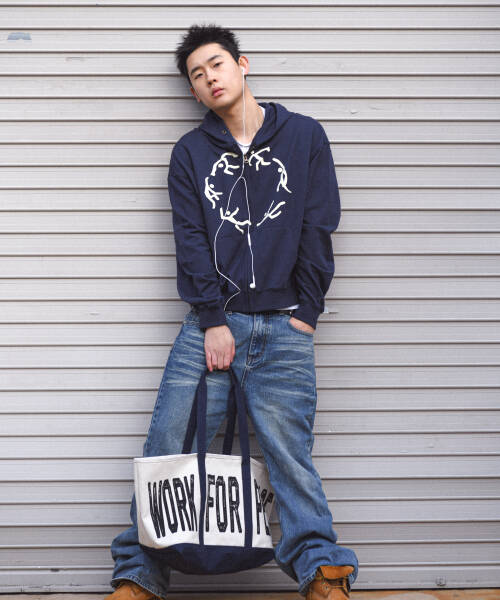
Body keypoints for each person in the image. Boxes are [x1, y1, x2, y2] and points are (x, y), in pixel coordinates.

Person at [105, 23, 359, 600]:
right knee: (168, 443)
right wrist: (214, 319)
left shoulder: (304, 136)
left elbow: (320, 222)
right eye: (197, 75)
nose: (209, 78)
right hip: (210, 326)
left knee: (290, 456)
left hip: (286, 326)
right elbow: (190, 240)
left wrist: (307, 310)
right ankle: (139, 574)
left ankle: (323, 573)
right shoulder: (190, 154)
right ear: (194, 92)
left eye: (216, 64)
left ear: (242, 65)